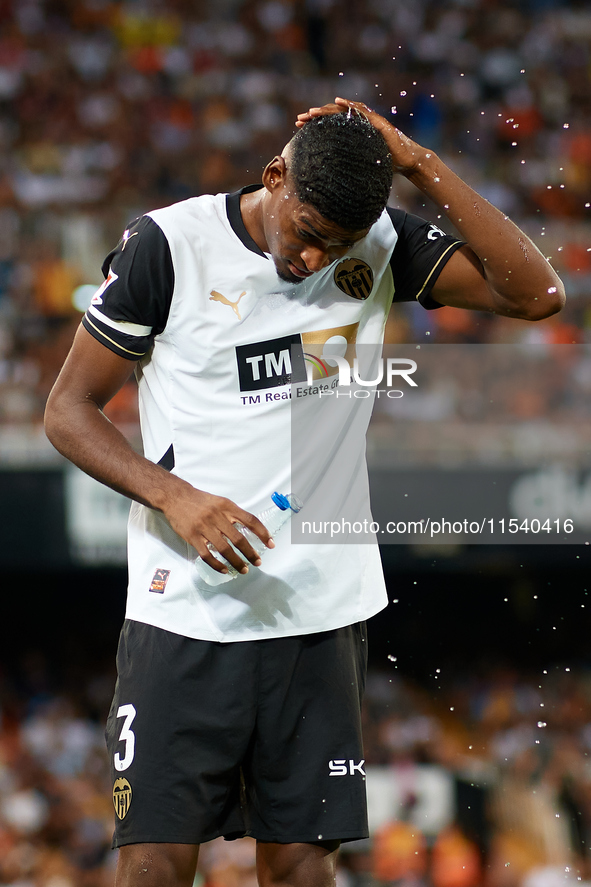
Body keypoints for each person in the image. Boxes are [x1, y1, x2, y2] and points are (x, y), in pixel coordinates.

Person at [44, 98, 564, 887]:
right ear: (274, 176)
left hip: (316, 612)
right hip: (183, 609)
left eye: (339, 246)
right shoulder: (170, 245)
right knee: (151, 863)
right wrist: (176, 497)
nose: (315, 257)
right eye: (308, 230)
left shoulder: (379, 243)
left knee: (300, 868)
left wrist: (419, 164)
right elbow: (67, 410)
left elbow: (536, 295)